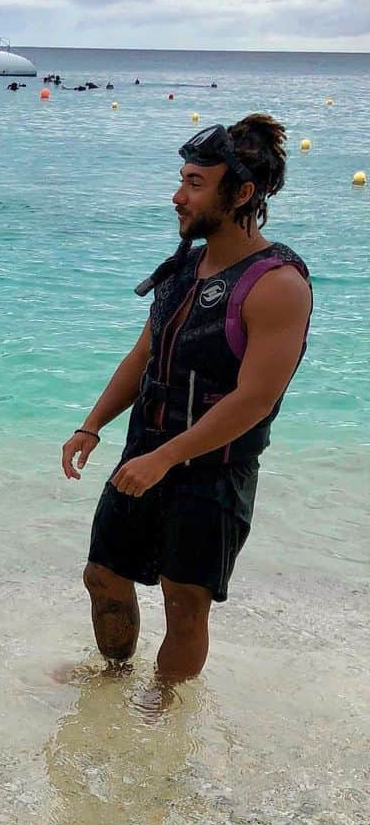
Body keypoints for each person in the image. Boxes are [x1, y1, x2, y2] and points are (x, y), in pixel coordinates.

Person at [61, 114, 311, 691]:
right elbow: (144, 353)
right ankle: (113, 673)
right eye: (182, 179)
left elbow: (254, 399)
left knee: (185, 599)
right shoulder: (182, 269)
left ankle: (164, 704)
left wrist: (166, 459)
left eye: (195, 183)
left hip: (213, 471)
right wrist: (92, 425)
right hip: (145, 449)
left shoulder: (277, 284)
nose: (178, 196)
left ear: (241, 193)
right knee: (103, 577)